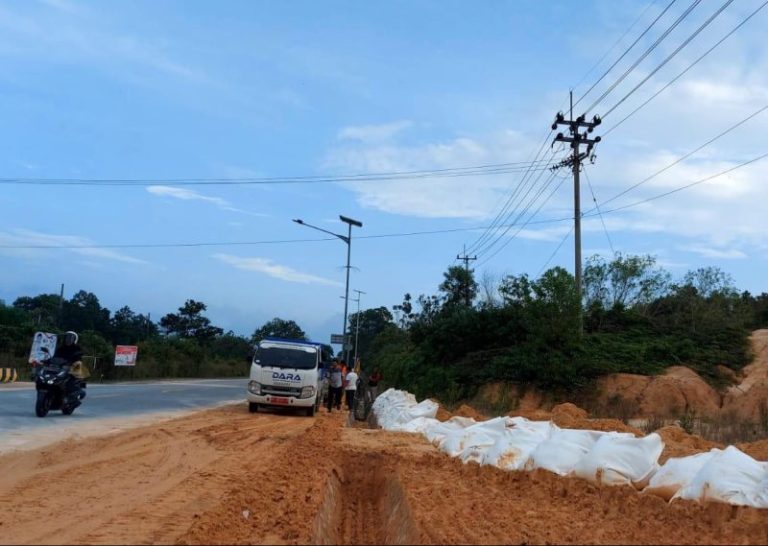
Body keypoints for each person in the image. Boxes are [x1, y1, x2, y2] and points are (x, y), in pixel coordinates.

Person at [54, 331, 88, 398]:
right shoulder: (61, 348)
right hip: (60, 366)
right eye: (67, 337)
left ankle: (74, 390)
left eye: (70, 338)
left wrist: (74, 360)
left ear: (74, 339)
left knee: (73, 377)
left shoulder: (77, 348)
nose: (68, 339)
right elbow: (55, 356)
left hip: (72, 367)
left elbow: (79, 356)